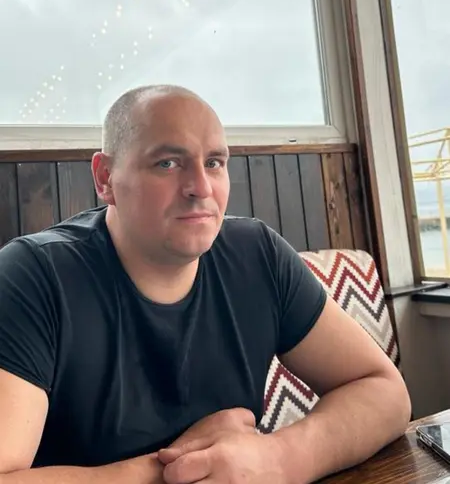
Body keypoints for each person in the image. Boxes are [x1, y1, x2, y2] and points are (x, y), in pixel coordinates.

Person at [0, 84, 411, 484]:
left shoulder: (258, 255)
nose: (201, 187)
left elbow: (385, 391)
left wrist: (280, 459)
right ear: (105, 177)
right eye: (167, 163)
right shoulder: (34, 276)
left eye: (214, 162)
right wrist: (181, 469)